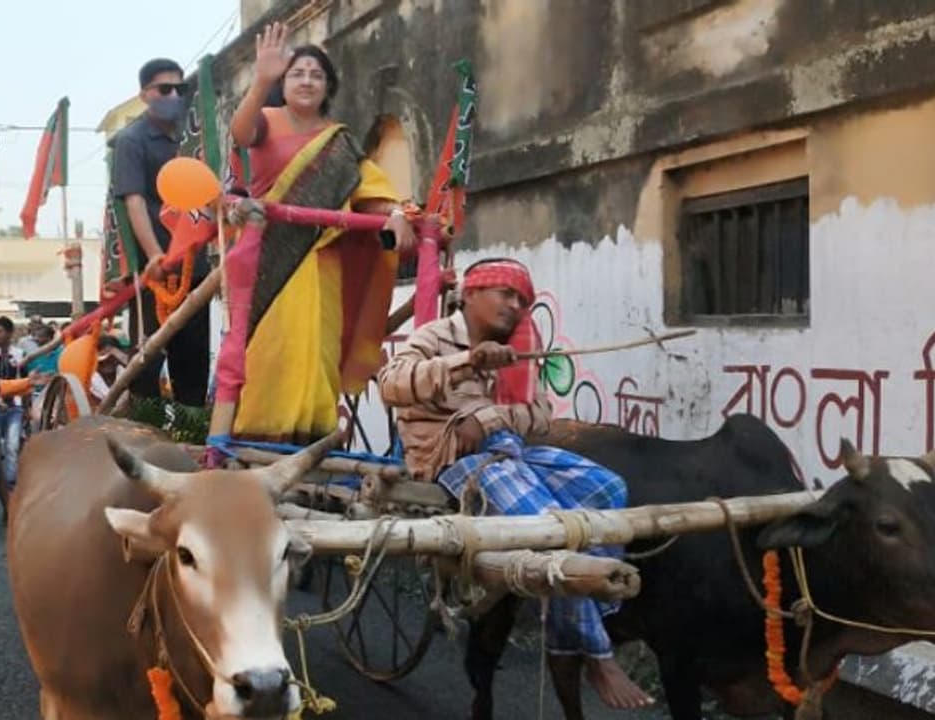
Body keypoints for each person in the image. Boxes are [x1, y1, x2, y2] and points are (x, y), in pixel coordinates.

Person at [377, 259, 653, 711]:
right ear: (469, 294)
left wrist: (488, 417)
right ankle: (598, 655)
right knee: (552, 528)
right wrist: (467, 362)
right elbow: (391, 386)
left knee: (607, 490)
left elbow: (540, 415)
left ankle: (571, 635)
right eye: (505, 293)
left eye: (522, 299)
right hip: (452, 459)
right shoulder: (433, 337)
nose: (515, 305)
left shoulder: (520, 347)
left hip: (507, 449)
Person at [211, 25, 416, 446]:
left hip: (323, 264)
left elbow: (367, 189)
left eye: (316, 75)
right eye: (296, 73)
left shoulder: (338, 142)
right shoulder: (266, 122)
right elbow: (240, 134)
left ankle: (315, 442)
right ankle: (255, 441)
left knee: (316, 353)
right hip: (267, 262)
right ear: (282, 83)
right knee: (271, 353)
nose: (306, 80)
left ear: (328, 86)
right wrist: (260, 80)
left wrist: (396, 212)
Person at [111, 56, 211, 407]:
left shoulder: (192, 136)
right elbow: (134, 202)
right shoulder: (132, 140)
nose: (173, 95)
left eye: (179, 89)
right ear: (144, 95)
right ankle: (145, 437)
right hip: (155, 273)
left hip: (196, 268)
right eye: (163, 89)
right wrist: (156, 253)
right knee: (148, 363)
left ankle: (192, 441)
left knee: (194, 363)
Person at [0, 316, 26, 491]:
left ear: (10, 333)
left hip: (14, 407)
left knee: (12, 446)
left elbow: (25, 381)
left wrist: (26, 406)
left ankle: (10, 485)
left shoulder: (19, 355)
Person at [88, 334, 129, 403]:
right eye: (104, 355)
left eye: (112, 357)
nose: (108, 361)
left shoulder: (123, 372)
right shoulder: (91, 380)